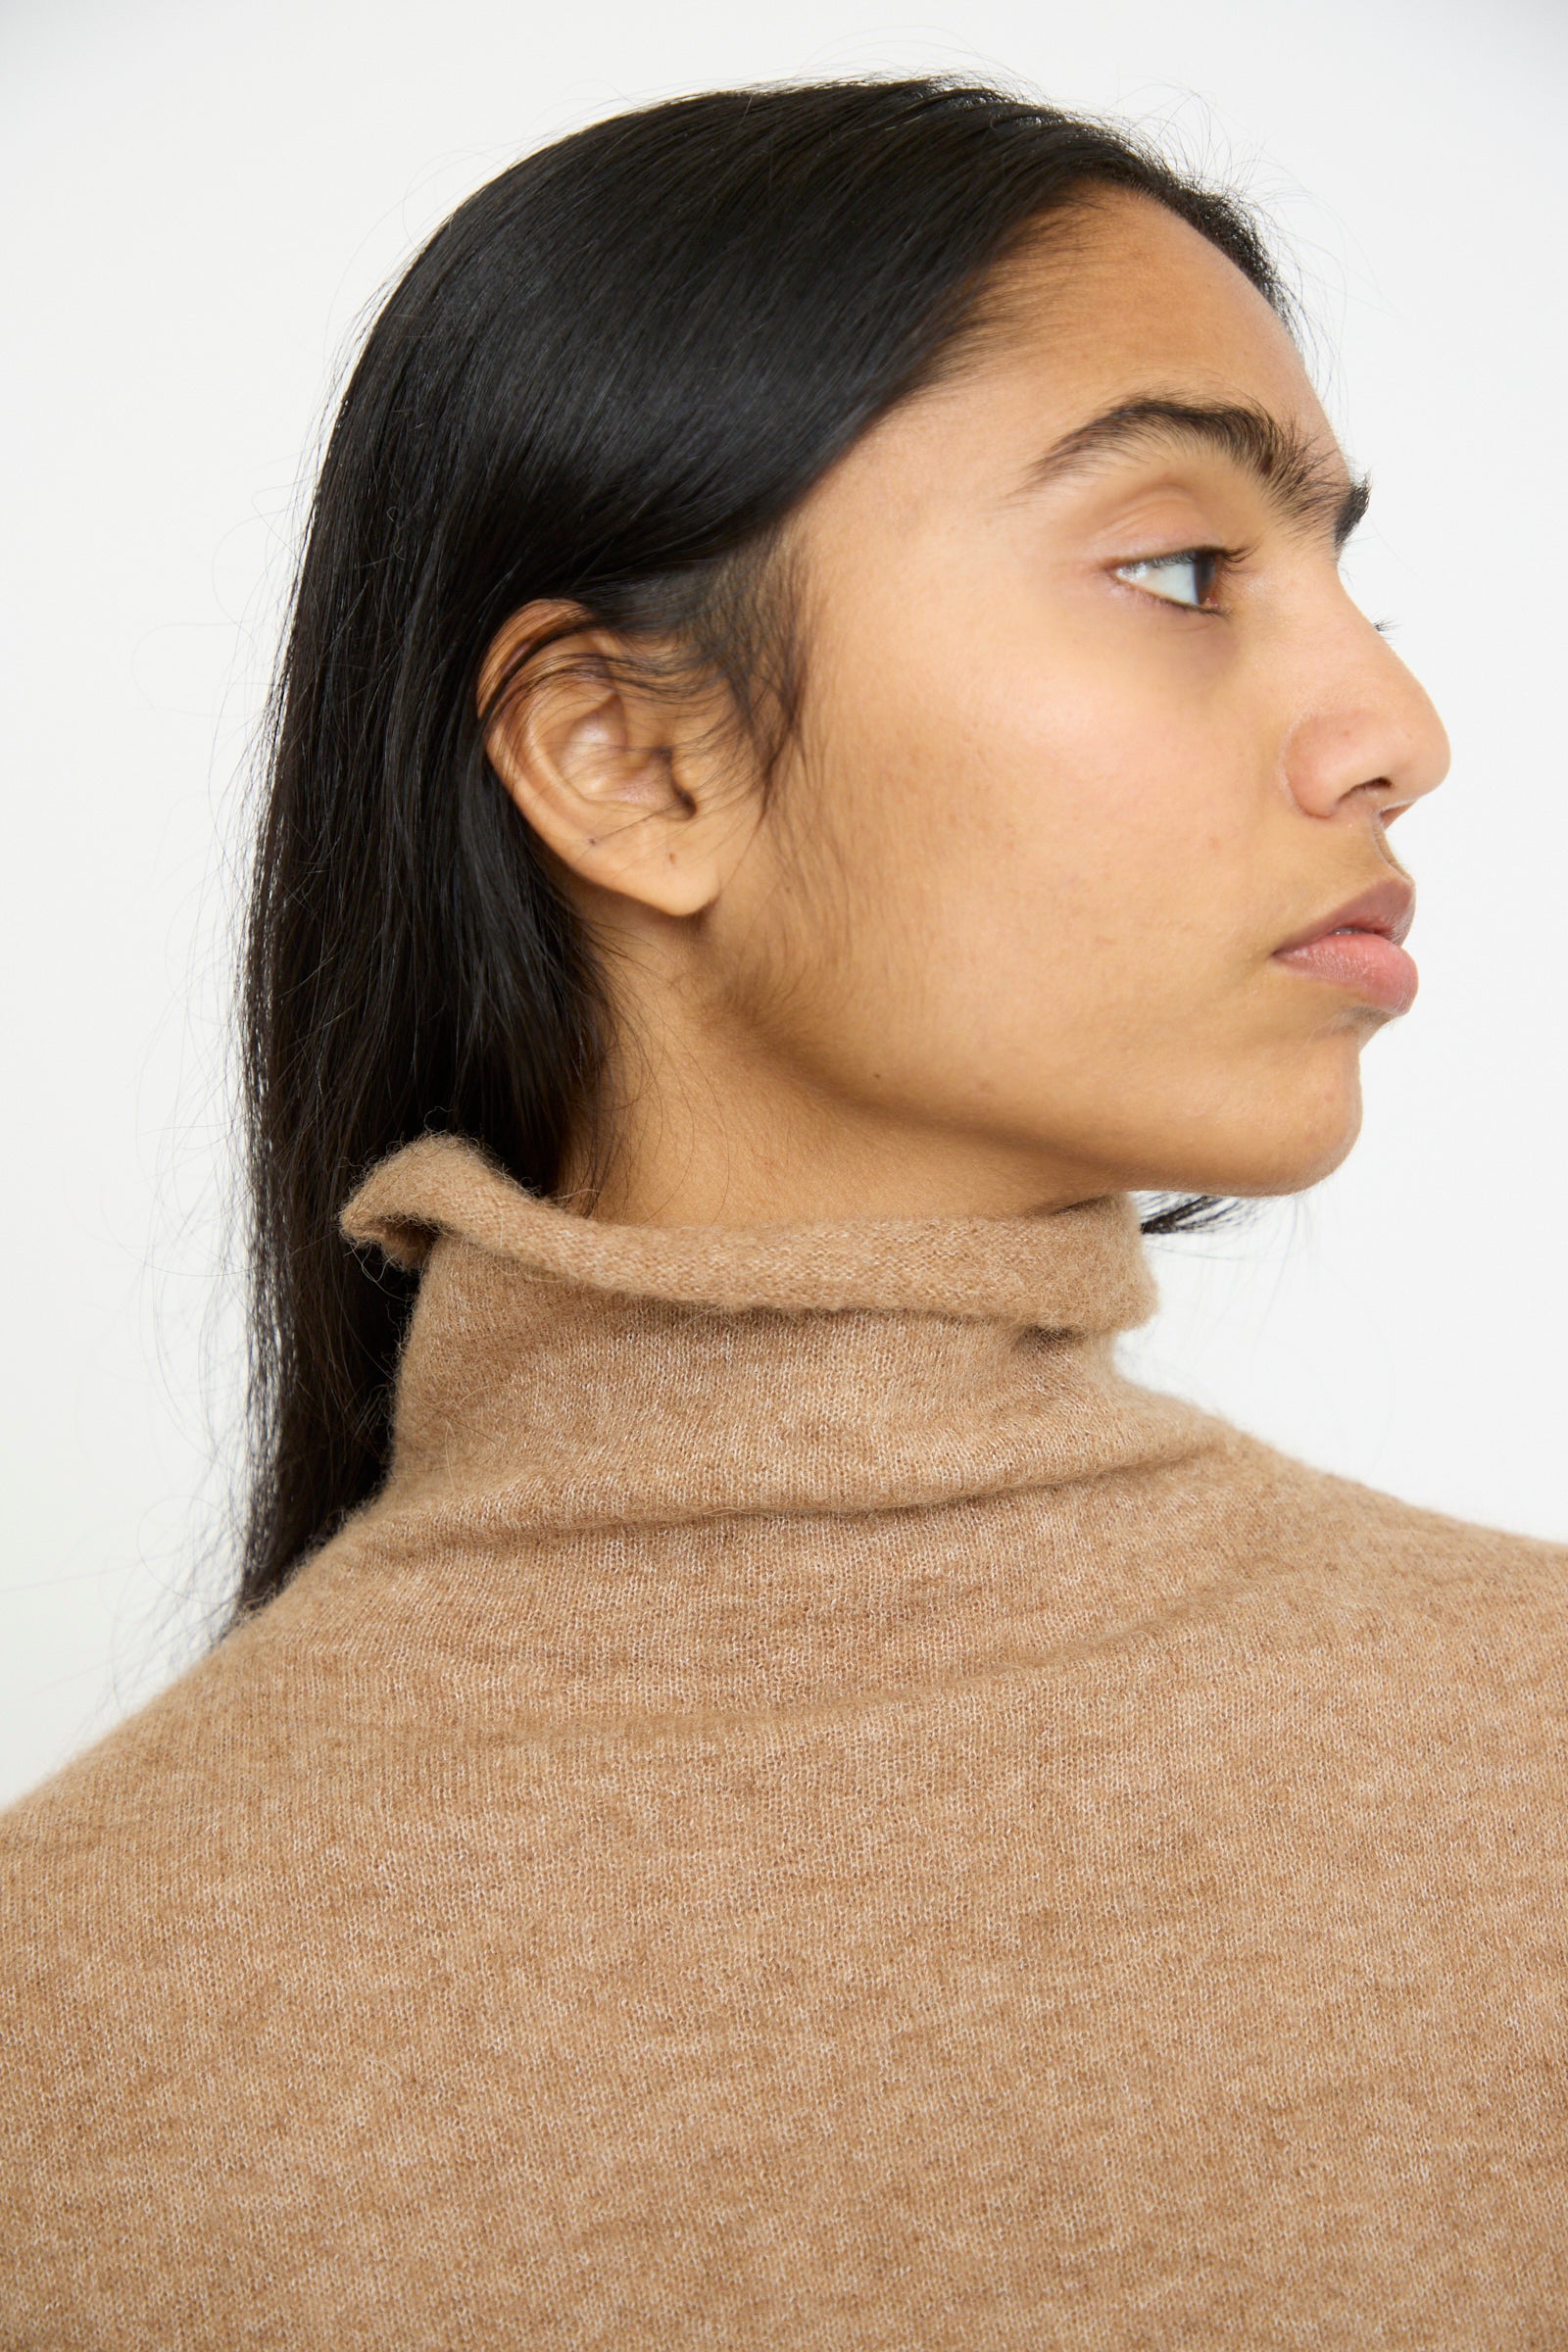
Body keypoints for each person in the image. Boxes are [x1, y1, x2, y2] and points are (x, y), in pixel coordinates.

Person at [2, 74, 1563, 2348]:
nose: (1391, 722)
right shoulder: (73, 2038)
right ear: (628, 761)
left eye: (1339, 575)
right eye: (1176, 567)